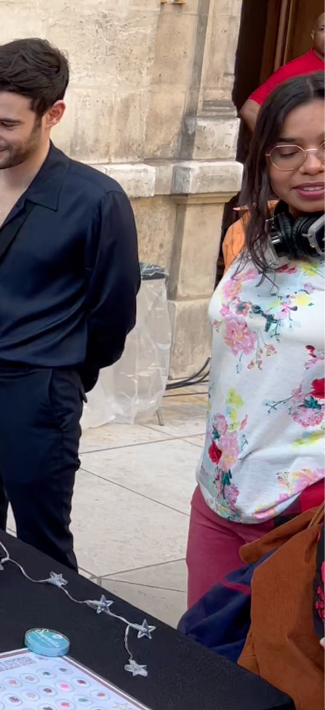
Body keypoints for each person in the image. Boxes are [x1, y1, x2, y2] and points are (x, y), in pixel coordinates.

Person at [0, 39, 140, 569]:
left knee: (42, 542)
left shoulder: (98, 201)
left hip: (39, 388)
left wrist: (63, 375)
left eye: (6, 123)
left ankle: (53, 646)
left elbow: (114, 313)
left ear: (53, 115)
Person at [186, 73, 324, 606]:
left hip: (304, 512)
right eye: (288, 150)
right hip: (220, 494)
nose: (309, 164)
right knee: (206, 662)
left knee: (284, 677)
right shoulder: (258, 237)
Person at [239, 13, 324, 131]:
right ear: (313, 35)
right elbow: (250, 110)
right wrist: (277, 145)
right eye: (323, 29)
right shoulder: (294, 70)